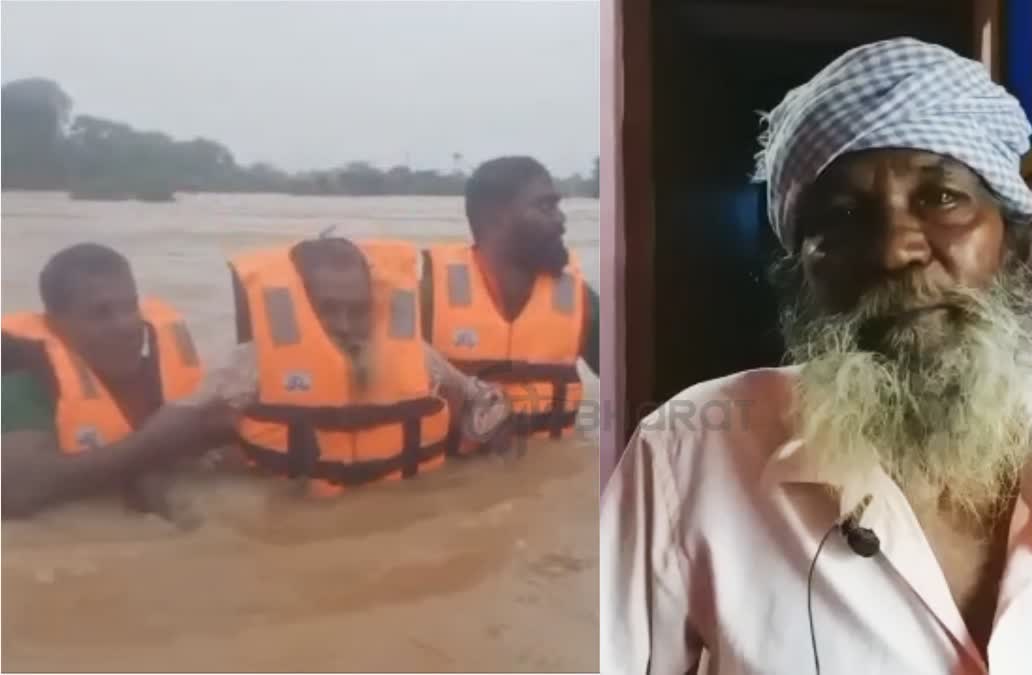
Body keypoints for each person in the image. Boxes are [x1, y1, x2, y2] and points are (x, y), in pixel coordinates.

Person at [600, 38, 1032, 674]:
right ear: (801, 273)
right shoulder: (685, 453)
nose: (895, 251)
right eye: (844, 215)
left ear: (1021, 248)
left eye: (941, 198)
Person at [229, 236, 512, 498]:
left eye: (358, 311)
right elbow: (193, 431)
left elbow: (486, 400)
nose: (345, 326)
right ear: (302, 307)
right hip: (297, 525)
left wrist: (476, 440)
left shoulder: (418, 358)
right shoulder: (252, 366)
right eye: (327, 310)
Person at [1, 243, 247, 524]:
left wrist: (230, 434)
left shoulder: (166, 380)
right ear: (56, 323)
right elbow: (18, 491)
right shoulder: (21, 386)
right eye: (100, 313)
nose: (126, 325)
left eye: (130, 307)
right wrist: (154, 442)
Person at [421, 156, 600, 454]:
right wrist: (464, 387)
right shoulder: (426, 291)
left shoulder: (580, 300)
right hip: (448, 485)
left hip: (549, 482)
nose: (561, 220)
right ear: (497, 216)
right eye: (546, 207)